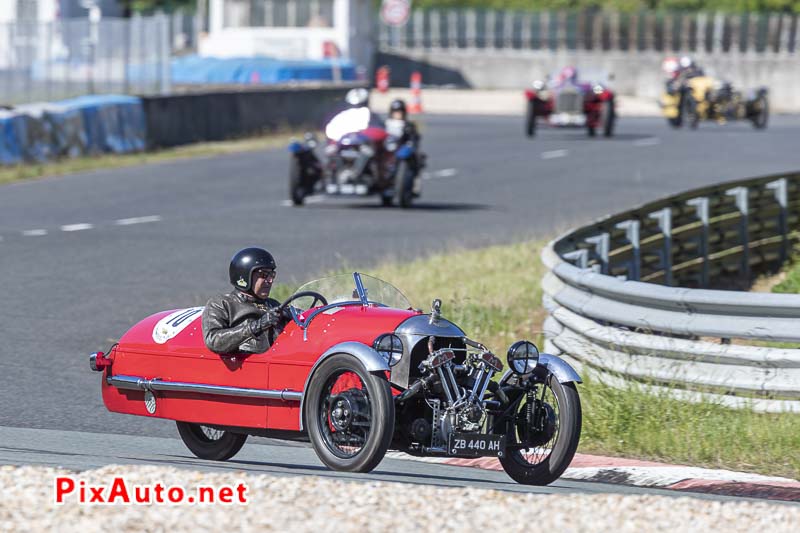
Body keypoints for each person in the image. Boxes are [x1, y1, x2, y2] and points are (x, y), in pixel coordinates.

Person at [202, 247, 291, 355]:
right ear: (244, 276)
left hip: (279, 361)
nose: (270, 280)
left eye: (272, 275)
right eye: (264, 275)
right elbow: (213, 340)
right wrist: (258, 325)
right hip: (247, 367)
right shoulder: (222, 304)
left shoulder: (273, 304)